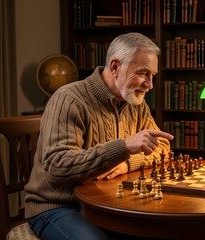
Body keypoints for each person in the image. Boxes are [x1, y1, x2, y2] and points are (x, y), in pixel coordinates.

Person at [24, 32, 174, 239]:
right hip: (59, 206)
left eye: (153, 76)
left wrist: (127, 163)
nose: (149, 84)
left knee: (167, 232)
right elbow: (57, 167)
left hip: (108, 203)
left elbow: (163, 146)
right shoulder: (68, 99)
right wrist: (124, 147)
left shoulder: (135, 102)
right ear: (115, 67)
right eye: (143, 73)